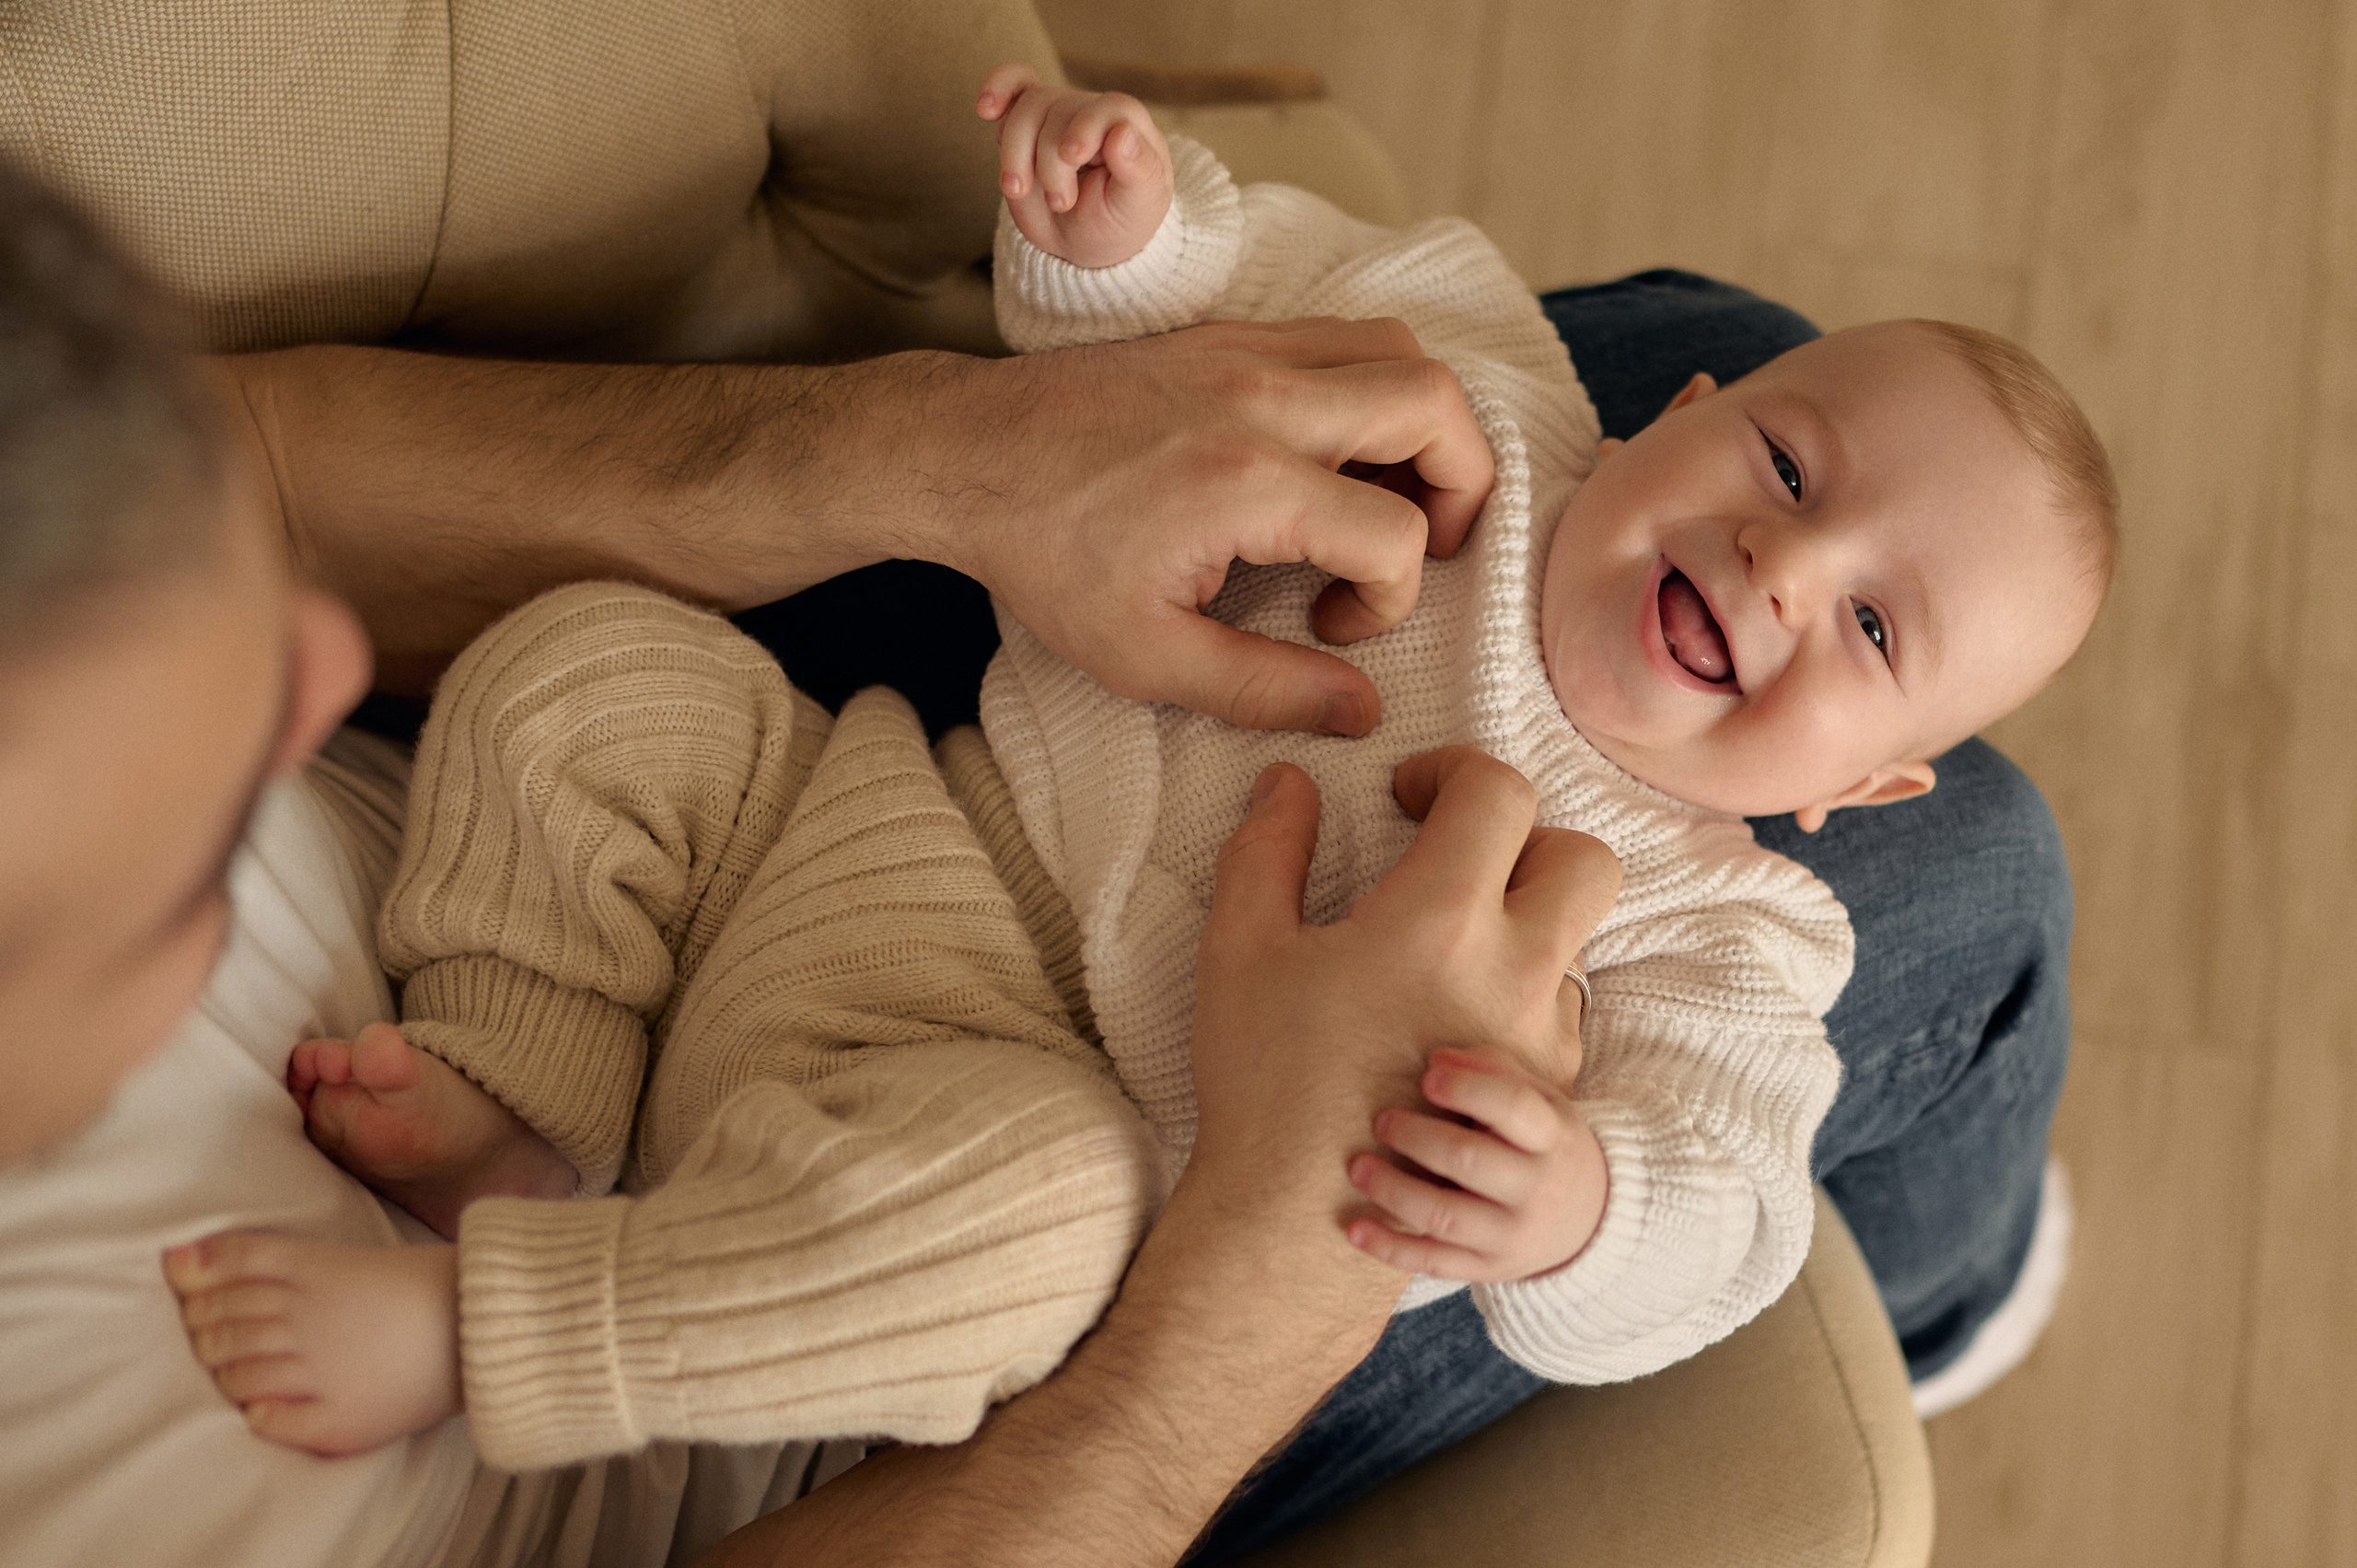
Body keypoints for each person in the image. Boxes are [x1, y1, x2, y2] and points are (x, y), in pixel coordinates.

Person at [162, 66, 2112, 1484]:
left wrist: (1579, 1204)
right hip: (882, 818)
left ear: (1859, 803)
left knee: (1036, 1224)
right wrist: (1122, 233)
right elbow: (1236, 301)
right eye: (1781, 469)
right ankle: (533, 1093)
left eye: (1869, 634)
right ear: (1665, 422)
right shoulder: (1480, 396)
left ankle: (498, 1327)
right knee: (589, 672)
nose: (1782, 570)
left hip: (1023, 1110)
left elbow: (1730, 1208)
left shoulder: (1727, 930)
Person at [0, 151, 1627, 1568]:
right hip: (868, 1307)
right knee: (1061, 1200)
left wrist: (953, 444)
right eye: (199, 830)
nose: (332, 673)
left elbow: (259, 471)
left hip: (776, 857)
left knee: (581, 671)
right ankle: (518, 1300)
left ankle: (517, 1101)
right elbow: (1681, 1221)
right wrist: (1324, 1227)